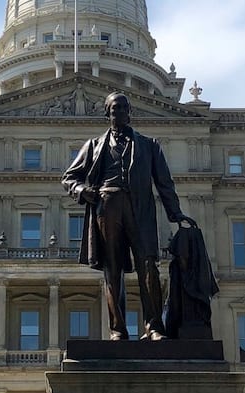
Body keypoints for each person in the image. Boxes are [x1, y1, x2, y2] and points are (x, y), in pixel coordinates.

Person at [62, 92, 191, 341]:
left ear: (129, 112)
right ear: (107, 113)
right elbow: (69, 177)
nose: (119, 112)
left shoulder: (150, 146)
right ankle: (118, 330)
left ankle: (154, 327)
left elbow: (164, 183)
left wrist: (176, 214)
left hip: (139, 206)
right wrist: (82, 191)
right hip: (106, 205)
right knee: (113, 270)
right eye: (114, 108)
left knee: (149, 266)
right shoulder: (93, 145)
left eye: (123, 107)